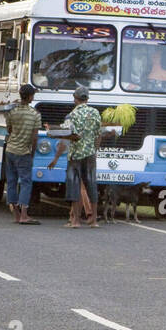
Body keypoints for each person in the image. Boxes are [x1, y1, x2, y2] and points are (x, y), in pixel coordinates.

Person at [47, 85, 101, 228]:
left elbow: (66, 135)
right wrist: (94, 149)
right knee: (91, 185)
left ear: (75, 99)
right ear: (87, 98)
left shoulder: (72, 115)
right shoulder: (95, 113)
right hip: (90, 154)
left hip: (76, 155)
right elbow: (98, 134)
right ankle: (94, 220)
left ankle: (75, 220)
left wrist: (52, 132)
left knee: (75, 186)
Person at [3, 84, 43, 225]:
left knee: (12, 181)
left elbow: (9, 129)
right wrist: (32, 152)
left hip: (10, 150)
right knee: (26, 182)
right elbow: (35, 137)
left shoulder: (12, 112)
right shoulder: (35, 114)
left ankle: (16, 215)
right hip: (23, 152)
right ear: (31, 96)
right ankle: (25, 214)